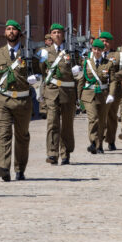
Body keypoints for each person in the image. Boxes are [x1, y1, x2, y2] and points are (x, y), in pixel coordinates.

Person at [0, 19, 40, 181]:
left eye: (14, 29)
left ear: (19, 33)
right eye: (8, 29)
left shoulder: (29, 53)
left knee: (22, 136)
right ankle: (4, 167)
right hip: (2, 99)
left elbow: (39, 75)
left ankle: (20, 168)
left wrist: (36, 80)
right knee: (4, 133)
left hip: (23, 101)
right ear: (4, 33)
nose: (10, 31)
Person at [39, 23, 80, 165]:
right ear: (50, 35)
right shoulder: (44, 52)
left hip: (68, 92)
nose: (57, 34)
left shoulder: (72, 51)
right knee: (52, 122)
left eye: (59, 32)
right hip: (51, 91)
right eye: (54, 32)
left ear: (63, 35)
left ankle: (65, 152)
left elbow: (81, 70)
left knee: (67, 124)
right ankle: (52, 153)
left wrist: (77, 71)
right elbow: (41, 70)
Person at [78, 39, 117, 154]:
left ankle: (99, 145)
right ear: (92, 49)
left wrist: (111, 94)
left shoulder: (108, 63)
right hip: (89, 95)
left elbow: (113, 81)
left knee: (102, 121)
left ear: (103, 50)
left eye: (99, 50)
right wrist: (78, 97)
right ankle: (93, 142)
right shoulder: (86, 62)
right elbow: (82, 80)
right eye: (94, 49)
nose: (96, 52)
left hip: (103, 95)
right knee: (93, 118)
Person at [37, 33, 53, 120]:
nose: (51, 41)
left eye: (51, 40)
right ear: (45, 41)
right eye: (49, 40)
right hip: (45, 74)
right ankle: (43, 110)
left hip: (52, 74)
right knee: (42, 92)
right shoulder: (42, 50)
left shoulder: (54, 49)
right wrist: (43, 73)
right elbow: (40, 63)